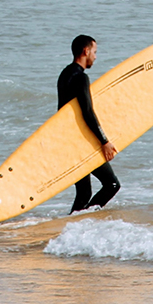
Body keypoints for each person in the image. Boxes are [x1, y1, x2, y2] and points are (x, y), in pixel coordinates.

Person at [59, 34, 120, 213]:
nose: (95, 56)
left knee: (84, 193)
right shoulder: (80, 78)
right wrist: (104, 142)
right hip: (80, 143)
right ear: (85, 51)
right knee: (112, 184)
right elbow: (87, 112)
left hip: (68, 139)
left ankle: (73, 224)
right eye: (94, 52)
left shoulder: (65, 74)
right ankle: (83, 221)